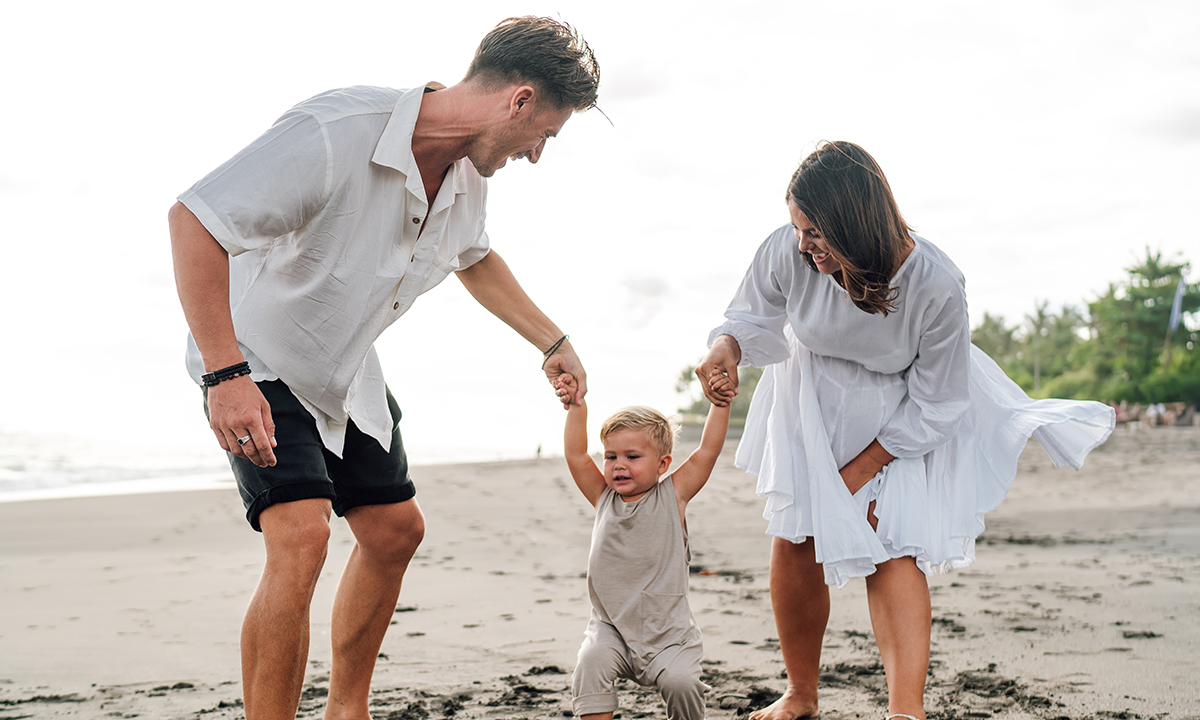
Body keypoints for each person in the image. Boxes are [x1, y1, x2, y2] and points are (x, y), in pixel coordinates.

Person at [167, 17, 599, 720]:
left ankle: (348, 710)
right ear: (518, 101)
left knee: (396, 531)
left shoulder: (467, 181)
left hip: (344, 372)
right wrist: (225, 375)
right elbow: (195, 219)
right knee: (302, 537)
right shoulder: (338, 131)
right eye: (545, 134)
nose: (538, 153)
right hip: (257, 360)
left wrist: (551, 340)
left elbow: (475, 257)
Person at [694, 141, 1115, 720]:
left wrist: (859, 473)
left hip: (899, 413)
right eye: (797, 228)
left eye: (815, 232)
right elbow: (750, 315)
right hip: (808, 396)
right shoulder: (787, 252)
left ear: (854, 223)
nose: (802, 245)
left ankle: (905, 711)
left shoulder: (936, 283)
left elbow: (939, 402)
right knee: (797, 537)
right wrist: (726, 347)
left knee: (894, 547)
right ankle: (801, 693)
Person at [554, 372, 732, 720]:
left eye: (632, 456)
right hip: (611, 630)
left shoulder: (673, 496)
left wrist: (720, 402)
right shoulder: (603, 498)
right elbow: (576, 454)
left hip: (668, 636)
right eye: (611, 456)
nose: (618, 464)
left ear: (663, 464)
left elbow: (707, 451)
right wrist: (576, 405)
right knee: (589, 665)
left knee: (682, 684)